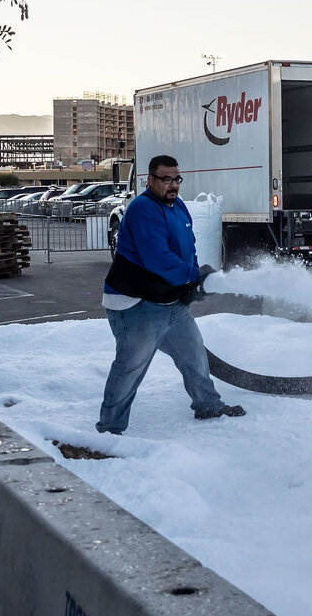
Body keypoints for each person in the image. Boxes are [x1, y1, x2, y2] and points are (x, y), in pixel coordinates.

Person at [96, 155, 245, 435]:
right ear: (150, 180)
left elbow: (189, 248)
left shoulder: (178, 208)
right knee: (130, 367)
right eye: (166, 179)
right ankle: (109, 430)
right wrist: (193, 276)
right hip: (135, 304)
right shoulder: (142, 209)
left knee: (193, 353)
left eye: (177, 179)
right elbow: (158, 259)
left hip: (168, 302)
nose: (173, 185)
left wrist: (190, 282)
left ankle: (208, 405)